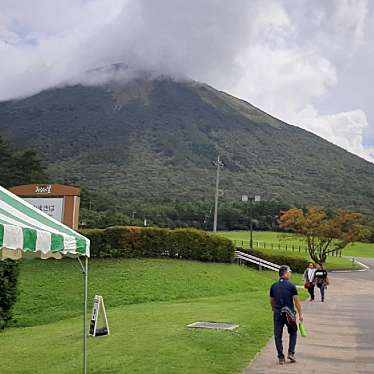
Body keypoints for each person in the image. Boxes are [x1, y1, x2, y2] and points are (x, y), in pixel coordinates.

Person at [270, 265, 303, 365]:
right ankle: (291, 352)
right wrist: (300, 314)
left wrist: (274, 309)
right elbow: (296, 301)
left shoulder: (273, 286)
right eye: (290, 272)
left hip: (278, 313)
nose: (291, 274)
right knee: (293, 332)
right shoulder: (291, 285)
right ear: (285, 273)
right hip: (289, 314)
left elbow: (272, 300)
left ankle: (281, 357)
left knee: (277, 335)